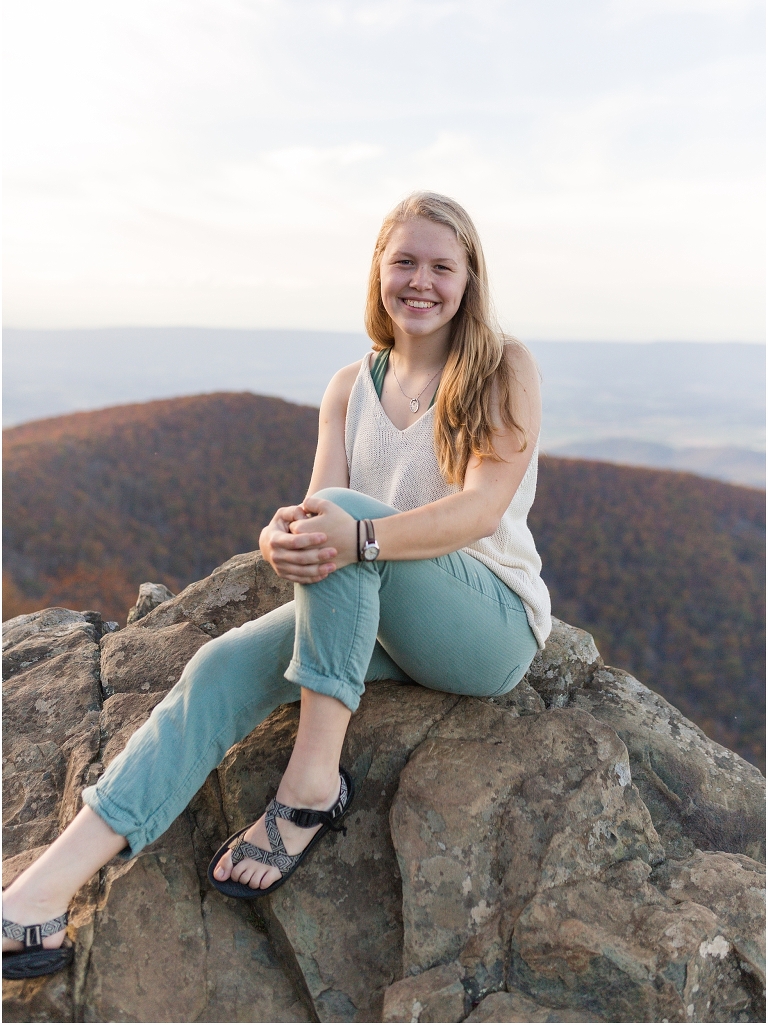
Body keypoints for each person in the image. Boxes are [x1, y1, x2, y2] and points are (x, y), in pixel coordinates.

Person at [2, 192, 551, 979]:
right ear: (379, 271)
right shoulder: (349, 386)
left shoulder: (504, 366)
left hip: (487, 626)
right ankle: (33, 902)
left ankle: (311, 783)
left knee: (345, 518)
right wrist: (279, 536)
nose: (420, 281)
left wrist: (355, 534)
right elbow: (315, 508)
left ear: (470, 279)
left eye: (441, 265)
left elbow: (479, 509)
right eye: (405, 261)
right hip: (382, 607)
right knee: (218, 667)